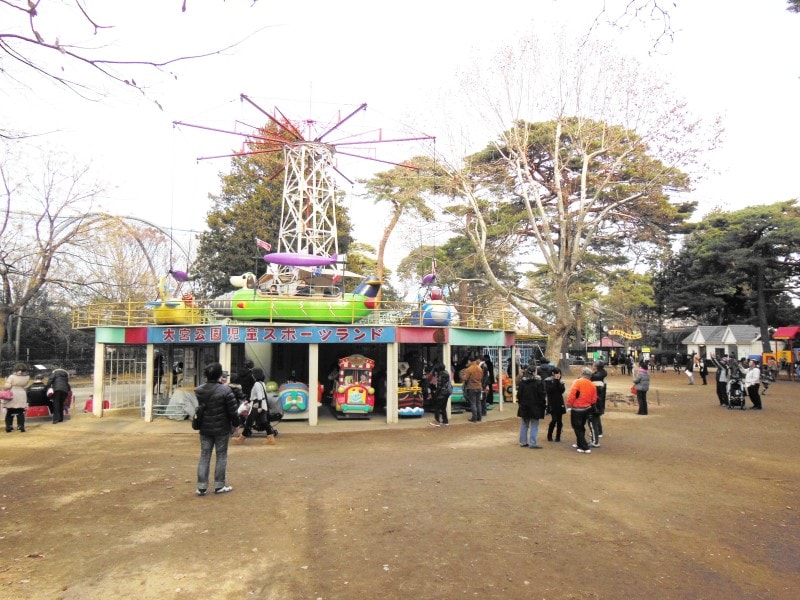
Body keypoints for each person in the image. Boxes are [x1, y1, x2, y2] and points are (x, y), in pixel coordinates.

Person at [194, 362, 239, 496]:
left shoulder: (199, 390)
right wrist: (236, 425)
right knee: (221, 456)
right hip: (222, 429)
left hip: (205, 428)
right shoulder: (225, 390)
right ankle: (219, 485)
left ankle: (201, 487)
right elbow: (233, 411)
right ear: (220, 375)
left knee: (204, 456)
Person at [567, 367, 598, 453]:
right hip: (587, 408)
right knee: (581, 426)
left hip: (577, 408)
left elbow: (572, 394)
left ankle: (584, 446)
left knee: (577, 427)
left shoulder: (577, 382)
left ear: (582, 373)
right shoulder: (592, 385)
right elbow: (594, 399)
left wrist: (569, 404)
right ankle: (579, 444)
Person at [516, 367, 546, 448]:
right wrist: (543, 405)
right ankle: (532, 443)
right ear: (533, 373)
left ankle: (523, 442)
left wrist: (521, 402)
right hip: (535, 407)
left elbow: (518, 395)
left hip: (524, 406)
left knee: (524, 424)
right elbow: (542, 395)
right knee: (534, 425)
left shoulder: (522, 382)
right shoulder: (538, 383)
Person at [3, 363, 30, 432]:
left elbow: (7, 387)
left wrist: (6, 382)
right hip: (22, 393)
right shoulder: (27, 377)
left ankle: (9, 427)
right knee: (20, 411)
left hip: (13, 394)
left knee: (10, 411)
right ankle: (21, 427)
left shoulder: (12, 377)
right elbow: (25, 384)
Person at [588, 360, 607, 447]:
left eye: (594, 365)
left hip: (597, 399)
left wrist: (591, 373)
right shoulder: (601, 373)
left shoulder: (598, 375)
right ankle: (599, 431)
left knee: (594, 416)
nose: (593, 366)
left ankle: (597, 433)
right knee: (597, 416)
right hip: (599, 399)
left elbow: (591, 378)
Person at [544, 367, 566, 442]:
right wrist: (556, 381)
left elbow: (562, 390)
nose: (558, 375)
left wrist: (558, 381)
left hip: (560, 402)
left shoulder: (561, 382)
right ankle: (549, 435)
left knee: (559, 420)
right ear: (553, 374)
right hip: (551, 402)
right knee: (554, 419)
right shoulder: (548, 381)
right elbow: (550, 390)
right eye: (557, 373)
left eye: (559, 373)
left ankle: (558, 436)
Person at [462, 355, 485, 422]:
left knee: (473, 403)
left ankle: (474, 418)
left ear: (469, 361)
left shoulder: (469, 369)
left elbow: (465, 378)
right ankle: (479, 417)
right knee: (478, 403)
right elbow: (482, 378)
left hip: (472, 387)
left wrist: (462, 376)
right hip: (479, 387)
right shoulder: (480, 368)